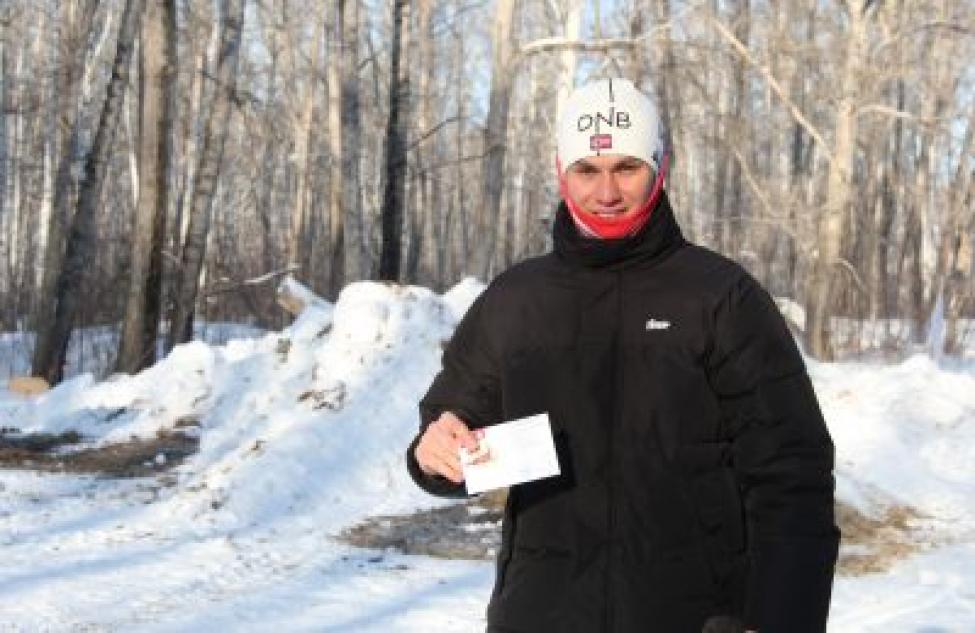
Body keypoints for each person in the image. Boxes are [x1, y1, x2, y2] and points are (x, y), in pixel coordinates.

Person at [406, 78, 839, 633]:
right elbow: (447, 437)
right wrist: (433, 451)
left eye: (626, 168)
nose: (606, 192)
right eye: (587, 170)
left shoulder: (720, 297)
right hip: (542, 613)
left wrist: (782, 619)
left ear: (659, 168)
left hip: (696, 615)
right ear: (562, 171)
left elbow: (792, 473)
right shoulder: (516, 300)